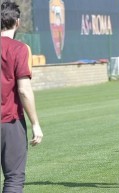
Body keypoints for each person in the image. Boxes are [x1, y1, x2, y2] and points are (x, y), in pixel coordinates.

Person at [1, 1, 43, 193]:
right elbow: (24, 90)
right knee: (13, 179)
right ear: (17, 22)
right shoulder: (20, 49)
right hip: (10, 121)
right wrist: (35, 123)